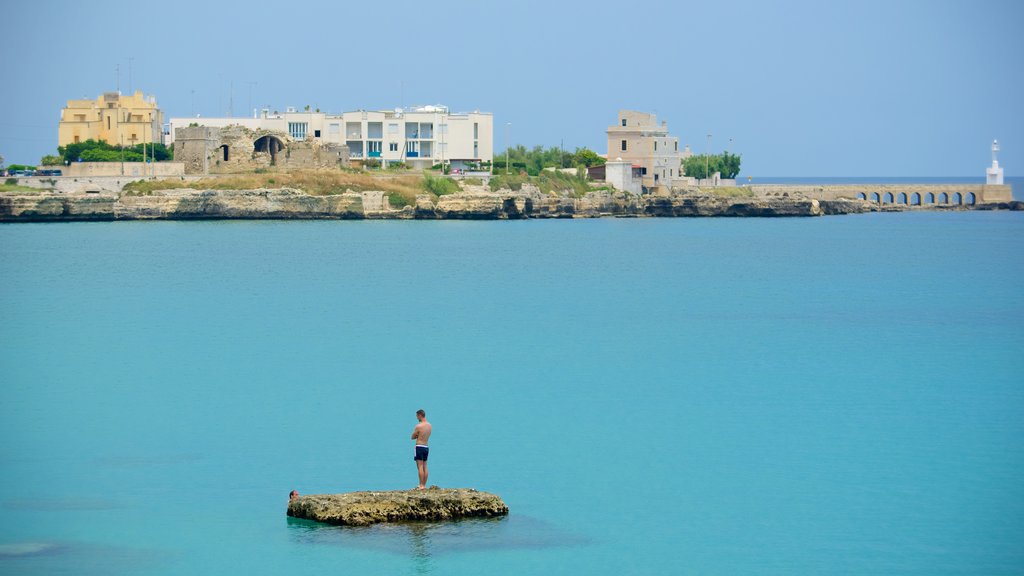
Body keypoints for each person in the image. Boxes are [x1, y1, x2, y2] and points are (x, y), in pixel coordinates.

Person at [411, 409, 432, 490]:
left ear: (420, 415)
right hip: (426, 447)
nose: (417, 418)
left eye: (417, 416)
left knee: (419, 466)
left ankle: (421, 485)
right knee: (425, 466)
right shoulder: (430, 426)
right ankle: (424, 485)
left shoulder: (418, 426)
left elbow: (412, 437)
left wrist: (417, 435)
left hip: (419, 446)